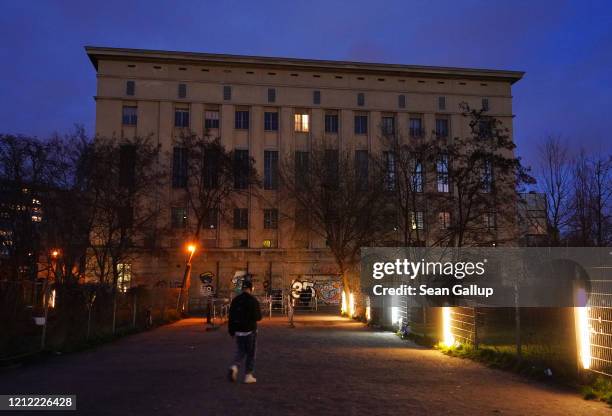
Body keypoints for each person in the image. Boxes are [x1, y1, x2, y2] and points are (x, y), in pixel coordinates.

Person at [227, 279, 262, 384]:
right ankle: (248, 375)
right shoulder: (253, 300)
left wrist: (231, 330)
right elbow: (258, 317)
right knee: (251, 353)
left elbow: (231, 316)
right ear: (251, 289)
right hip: (250, 330)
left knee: (241, 351)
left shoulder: (236, 300)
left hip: (238, 330)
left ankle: (234, 366)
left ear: (242, 288)